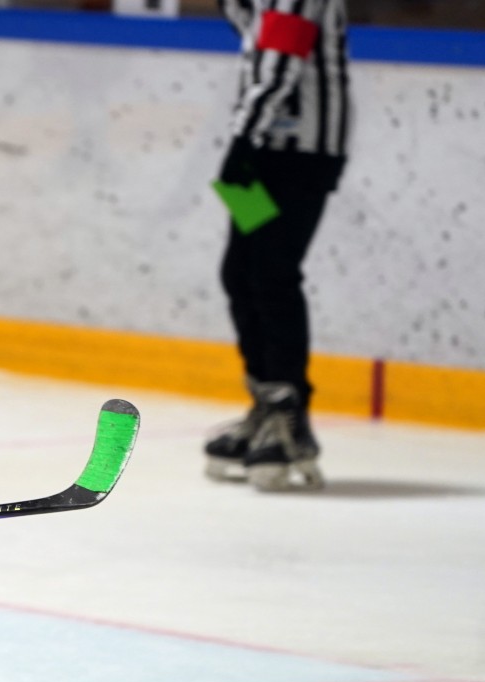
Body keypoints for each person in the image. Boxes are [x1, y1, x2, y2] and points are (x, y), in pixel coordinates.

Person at [205, 0, 350, 491]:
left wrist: (241, 139)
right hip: (262, 149)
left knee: (272, 273)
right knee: (240, 273)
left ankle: (290, 418)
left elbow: (281, 57)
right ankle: (267, 404)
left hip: (300, 154)